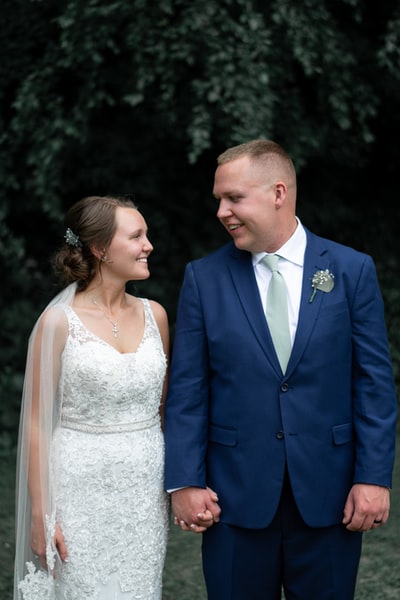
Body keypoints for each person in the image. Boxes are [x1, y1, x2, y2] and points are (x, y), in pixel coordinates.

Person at [164, 139, 398, 599]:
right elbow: (188, 390)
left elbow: (372, 384)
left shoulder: (351, 271)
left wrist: (372, 477)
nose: (222, 212)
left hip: (330, 495)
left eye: (234, 198)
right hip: (233, 497)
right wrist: (186, 481)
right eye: (218, 200)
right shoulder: (204, 278)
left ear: (278, 193)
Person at [14, 195, 170, 599]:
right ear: (100, 249)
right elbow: (35, 421)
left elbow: (164, 408)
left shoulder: (156, 316)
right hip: (78, 490)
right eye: (136, 236)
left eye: (147, 234)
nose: (148, 245)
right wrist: (40, 514)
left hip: (143, 493)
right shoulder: (57, 323)